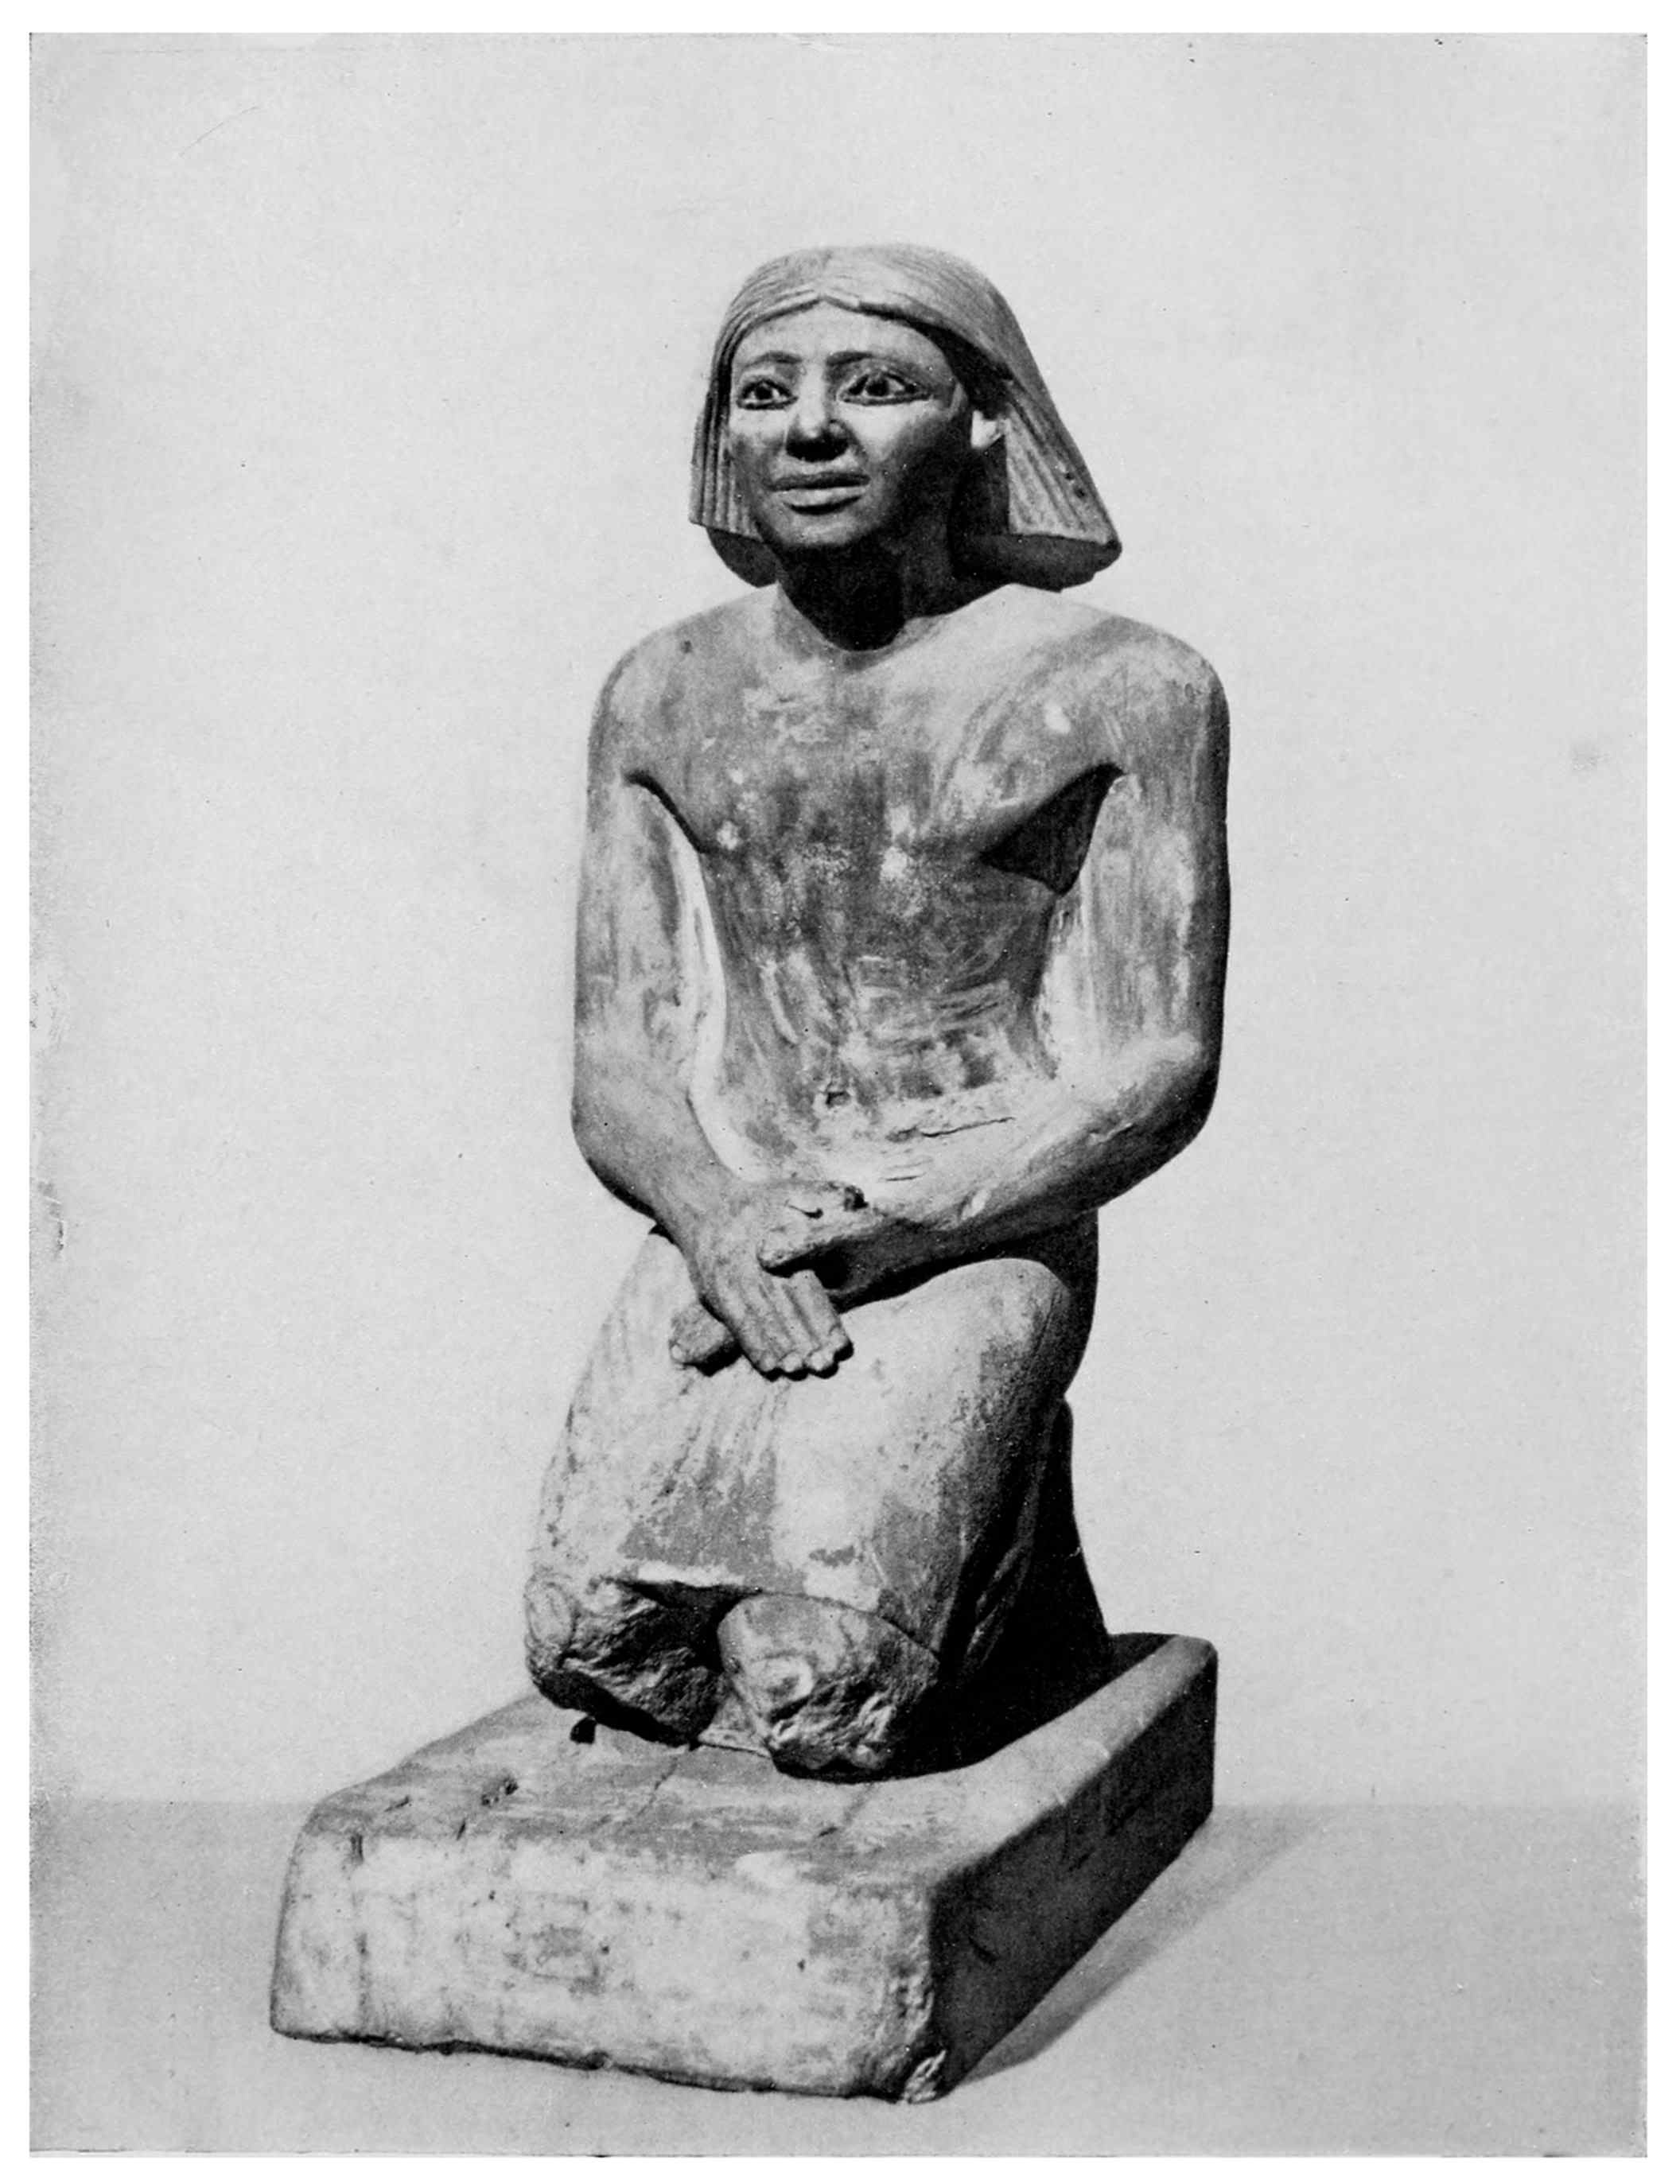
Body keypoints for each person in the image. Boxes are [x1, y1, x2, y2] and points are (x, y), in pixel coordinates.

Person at [526, 244, 1229, 1778]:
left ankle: (984, 1526)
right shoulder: (663, 691)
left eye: (877, 385)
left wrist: (904, 1224)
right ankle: (1000, 1550)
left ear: (983, 420)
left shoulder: (1126, 686)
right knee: (596, 1641)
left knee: (817, 1687)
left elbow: (1160, 1059)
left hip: (976, 1209)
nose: (810, 428)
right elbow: (618, 1055)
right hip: (744, 1216)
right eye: (764, 392)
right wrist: (717, 1220)